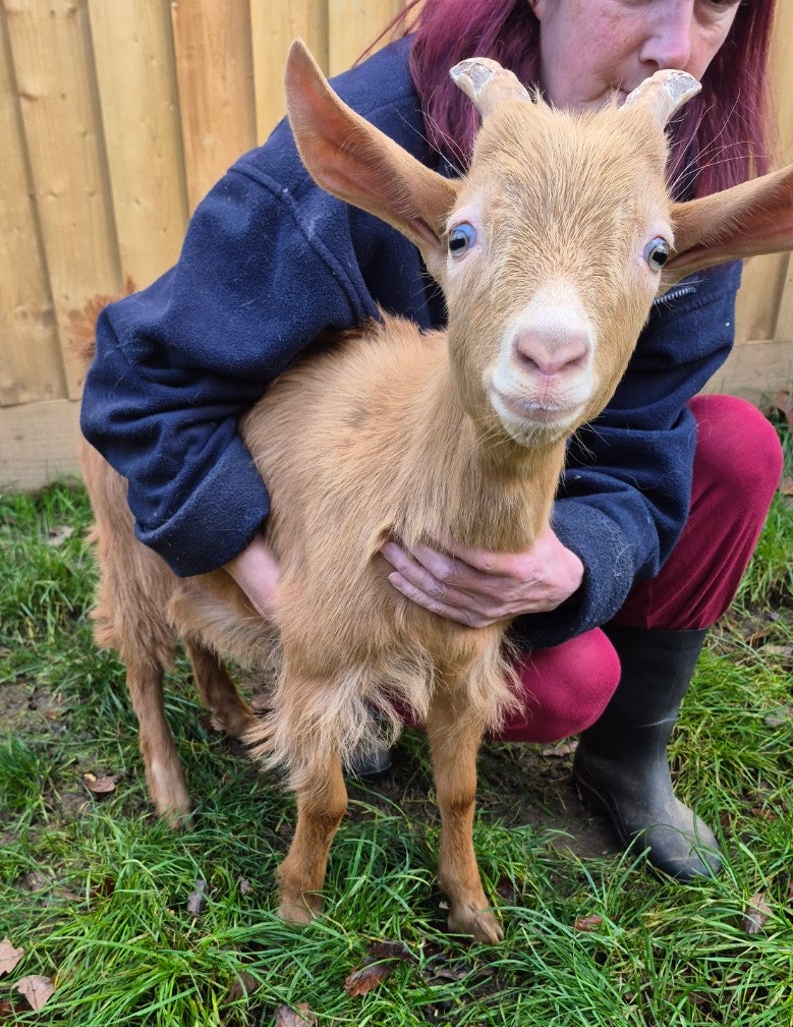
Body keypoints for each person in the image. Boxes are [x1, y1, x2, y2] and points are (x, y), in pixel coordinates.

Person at [80, 0, 784, 882]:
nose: (675, 44)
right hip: (351, 494)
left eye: (716, 4)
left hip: (510, 488)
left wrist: (577, 564)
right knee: (551, 680)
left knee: (739, 449)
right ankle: (361, 694)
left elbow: (645, 439)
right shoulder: (375, 128)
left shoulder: (683, 181)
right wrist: (273, 583)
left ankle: (628, 755)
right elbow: (138, 384)